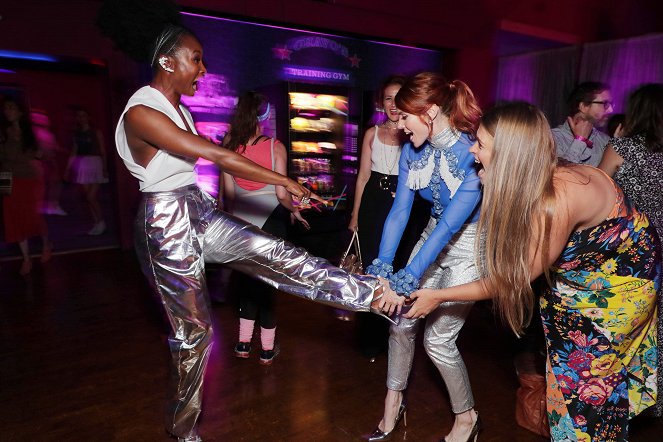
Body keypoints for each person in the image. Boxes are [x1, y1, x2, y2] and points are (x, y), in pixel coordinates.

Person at [100, 14, 399, 442]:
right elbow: (215, 155)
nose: (203, 70)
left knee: (275, 252)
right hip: (163, 224)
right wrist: (284, 180)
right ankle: (184, 433)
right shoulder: (141, 113)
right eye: (196, 60)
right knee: (195, 335)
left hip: (194, 208)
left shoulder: (177, 108)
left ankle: (374, 296)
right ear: (167, 62)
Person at [406, 102, 660, 441]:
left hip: (619, 288)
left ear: (510, 154)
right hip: (581, 279)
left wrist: (438, 296)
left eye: (481, 143)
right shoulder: (541, 177)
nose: (472, 149)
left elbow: (514, 279)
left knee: (586, 387)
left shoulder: (554, 199)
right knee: (572, 374)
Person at [365, 72, 483, 442]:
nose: (397, 126)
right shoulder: (412, 151)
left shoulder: (472, 153)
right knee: (399, 322)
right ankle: (393, 400)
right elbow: (400, 211)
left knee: (438, 340)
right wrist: (384, 269)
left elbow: (451, 226)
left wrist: (406, 279)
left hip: (470, 245)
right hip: (431, 236)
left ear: (430, 111)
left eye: (403, 117)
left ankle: (468, 417)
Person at [221, 91, 310, 365]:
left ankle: (243, 344)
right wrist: (295, 210)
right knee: (268, 286)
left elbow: (228, 194)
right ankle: (268, 349)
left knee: (247, 284)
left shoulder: (227, 143)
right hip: (272, 220)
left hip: (242, 222)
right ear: (263, 116)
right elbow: (282, 194)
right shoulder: (275, 147)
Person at [599, 83, 663, 417]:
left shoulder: (622, 147)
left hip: (632, 245)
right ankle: (654, 396)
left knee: (625, 321)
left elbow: (597, 186)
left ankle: (622, 399)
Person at [348, 75, 407, 360]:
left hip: (403, 206)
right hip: (374, 203)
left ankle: (396, 338)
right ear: (380, 102)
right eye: (388, 98)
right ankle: (370, 336)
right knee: (372, 270)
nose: (394, 105)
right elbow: (362, 177)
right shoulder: (372, 133)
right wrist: (355, 216)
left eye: (399, 98)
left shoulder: (414, 134)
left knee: (397, 271)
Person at [0, 98, 52, 275]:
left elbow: (43, 155)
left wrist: (40, 155)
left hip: (30, 178)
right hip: (6, 177)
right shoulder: (3, 132)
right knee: (12, 217)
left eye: (11, 107)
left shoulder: (31, 133)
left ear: (20, 112)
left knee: (33, 215)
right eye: (5, 108)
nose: (7, 111)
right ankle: (26, 258)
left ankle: (46, 245)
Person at [66, 107, 108, 235]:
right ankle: (96, 223)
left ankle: (101, 222)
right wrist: (67, 169)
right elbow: (73, 151)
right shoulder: (76, 133)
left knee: (91, 197)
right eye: (79, 116)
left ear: (88, 117)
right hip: (83, 163)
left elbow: (102, 151)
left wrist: (105, 167)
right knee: (87, 197)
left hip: (95, 163)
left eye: (84, 115)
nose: (81, 118)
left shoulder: (96, 132)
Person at [552, 81, 613, 166]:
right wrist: (580, 141)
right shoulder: (553, 138)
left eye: (611, 104)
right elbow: (560, 176)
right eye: (605, 104)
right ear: (583, 106)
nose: (611, 110)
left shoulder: (605, 141)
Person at [31, 109, 67, 216]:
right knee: (43, 184)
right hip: (42, 162)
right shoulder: (37, 133)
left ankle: (51, 205)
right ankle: (43, 205)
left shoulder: (46, 133)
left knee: (54, 183)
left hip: (49, 161)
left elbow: (53, 146)